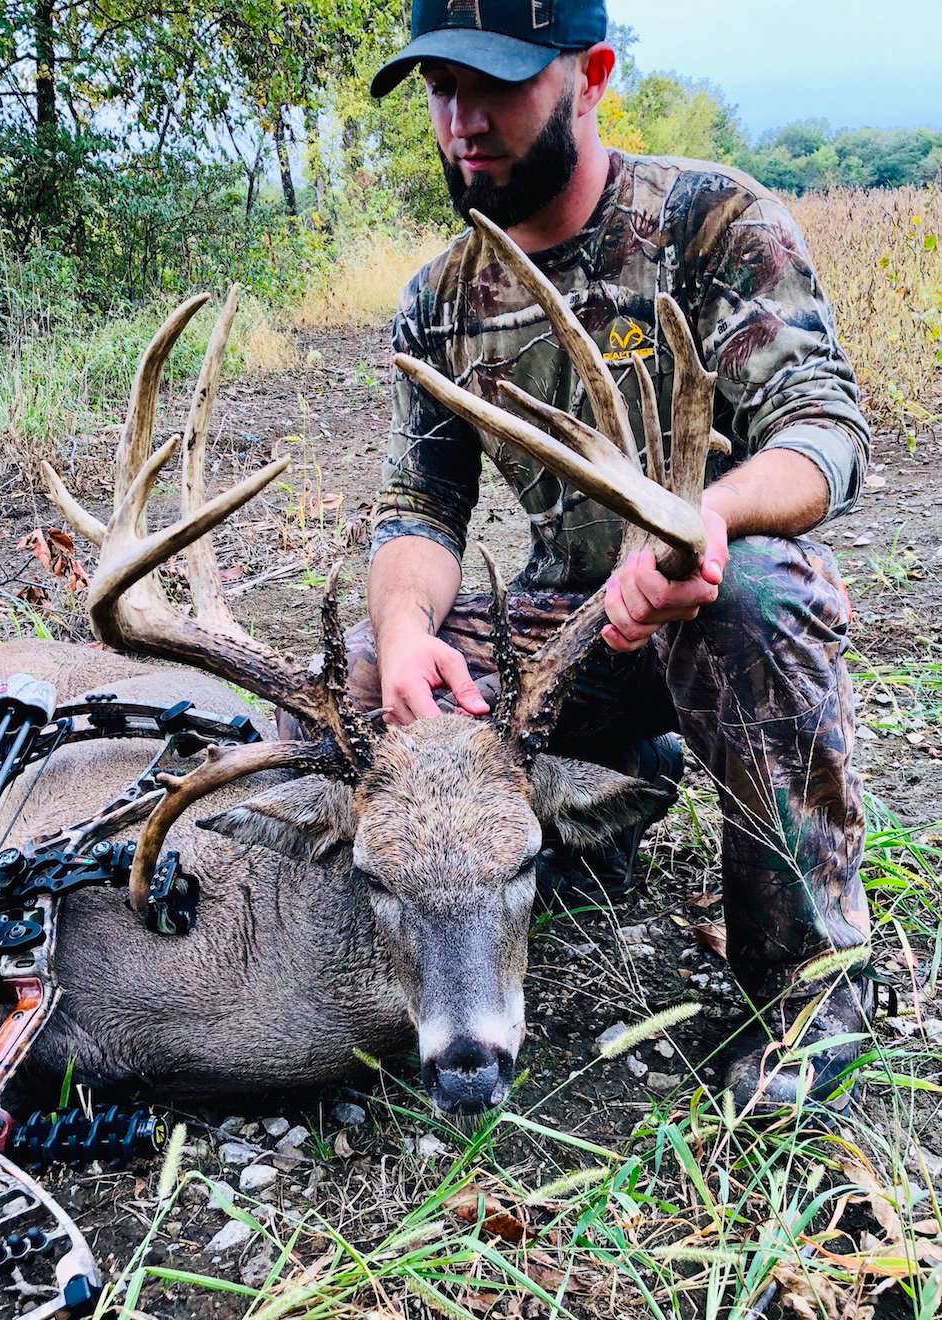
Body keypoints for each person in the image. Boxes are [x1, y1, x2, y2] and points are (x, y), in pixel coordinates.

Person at [347, 0, 876, 1114]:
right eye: (441, 89)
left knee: (761, 600)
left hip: (701, 604)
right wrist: (401, 633)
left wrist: (703, 521)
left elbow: (824, 429)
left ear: (590, 76)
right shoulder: (442, 300)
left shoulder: (711, 221)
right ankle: (544, 852)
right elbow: (420, 505)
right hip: (566, 638)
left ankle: (807, 994)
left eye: (495, 86)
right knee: (360, 676)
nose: (461, 122)